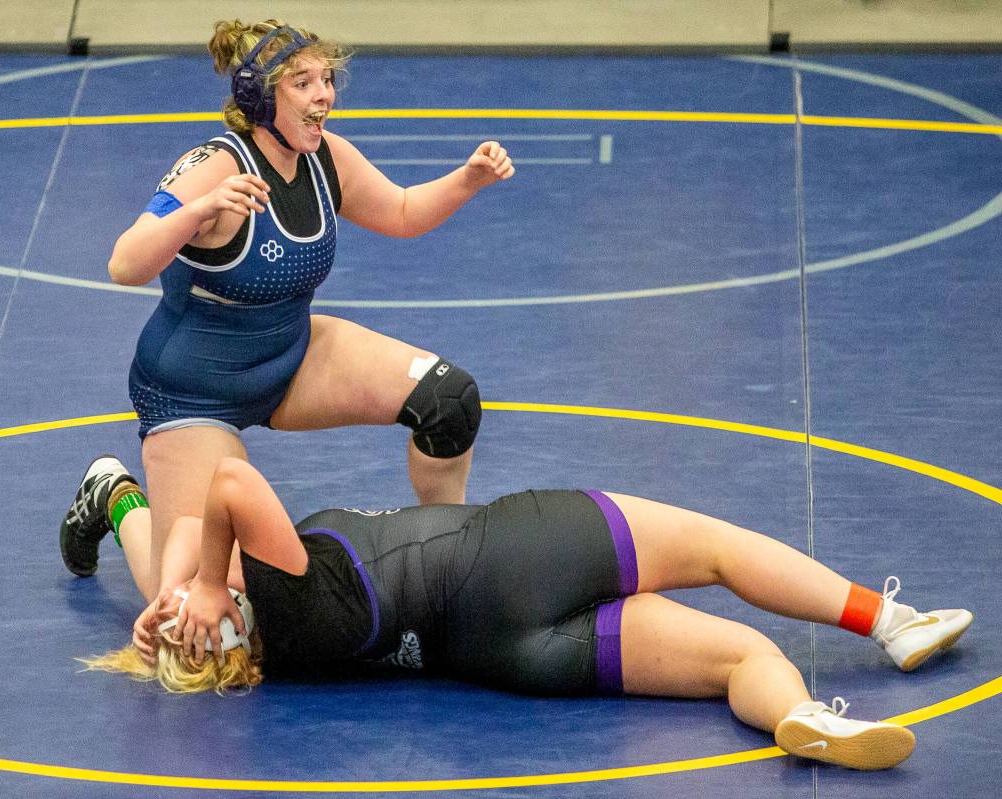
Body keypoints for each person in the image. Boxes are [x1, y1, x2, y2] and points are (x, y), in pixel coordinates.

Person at [72, 455, 974, 771]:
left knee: (737, 656)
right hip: (522, 550)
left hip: (507, 653)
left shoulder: (287, 648)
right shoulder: (283, 576)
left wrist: (172, 597)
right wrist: (197, 581)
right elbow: (220, 491)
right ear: (234, 605)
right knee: (718, 548)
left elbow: (184, 532)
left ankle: (795, 714)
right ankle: (886, 623)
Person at [62, 19, 514, 600]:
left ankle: (451, 565)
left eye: (327, 79)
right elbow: (125, 264)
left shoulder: (326, 157)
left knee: (448, 403)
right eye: (303, 82)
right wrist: (195, 211)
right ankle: (114, 496)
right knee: (190, 598)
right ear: (258, 96)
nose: (324, 94)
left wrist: (467, 180)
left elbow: (400, 212)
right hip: (193, 392)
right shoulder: (214, 166)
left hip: (290, 357)